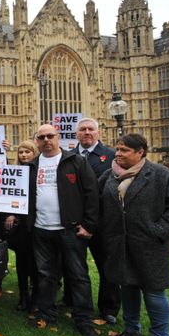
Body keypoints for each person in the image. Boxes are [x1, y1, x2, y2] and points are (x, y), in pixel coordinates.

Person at [99, 134, 169, 336]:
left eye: (125, 150)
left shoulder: (160, 175)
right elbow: (97, 205)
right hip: (120, 244)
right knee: (127, 288)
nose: (118, 154)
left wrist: (157, 232)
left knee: (154, 293)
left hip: (149, 245)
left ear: (140, 152)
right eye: (117, 149)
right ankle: (132, 329)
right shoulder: (110, 176)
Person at [29, 124, 99, 336]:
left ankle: (84, 320)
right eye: (42, 137)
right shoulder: (31, 165)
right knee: (45, 275)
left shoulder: (76, 161)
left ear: (58, 137)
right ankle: (47, 314)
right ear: (37, 141)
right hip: (41, 229)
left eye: (50, 136)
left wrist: (88, 225)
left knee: (78, 276)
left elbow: (92, 194)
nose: (46, 140)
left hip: (69, 229)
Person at [71, 117, 118, 324]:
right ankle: (78, 304)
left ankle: (109, 308)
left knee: (107, 268)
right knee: (75, 269)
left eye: (91, 129)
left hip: (103, 224)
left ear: (98, 133)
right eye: (83, 130)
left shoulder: (111, 156)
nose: (87, 133)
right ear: (76, 134)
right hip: (75, 223)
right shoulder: (68, 156)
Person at [1, 140, 38, 311]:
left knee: (38, 264)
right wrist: (10, 213)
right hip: (21, 226)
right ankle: (24, 297)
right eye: (21, 152)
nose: (23, 155)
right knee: (22, 263)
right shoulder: (15, 172)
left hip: (38, 223)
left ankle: (37, 298)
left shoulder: (40, 171)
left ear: (34, 153)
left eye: (27, 152)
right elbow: (8, 192)